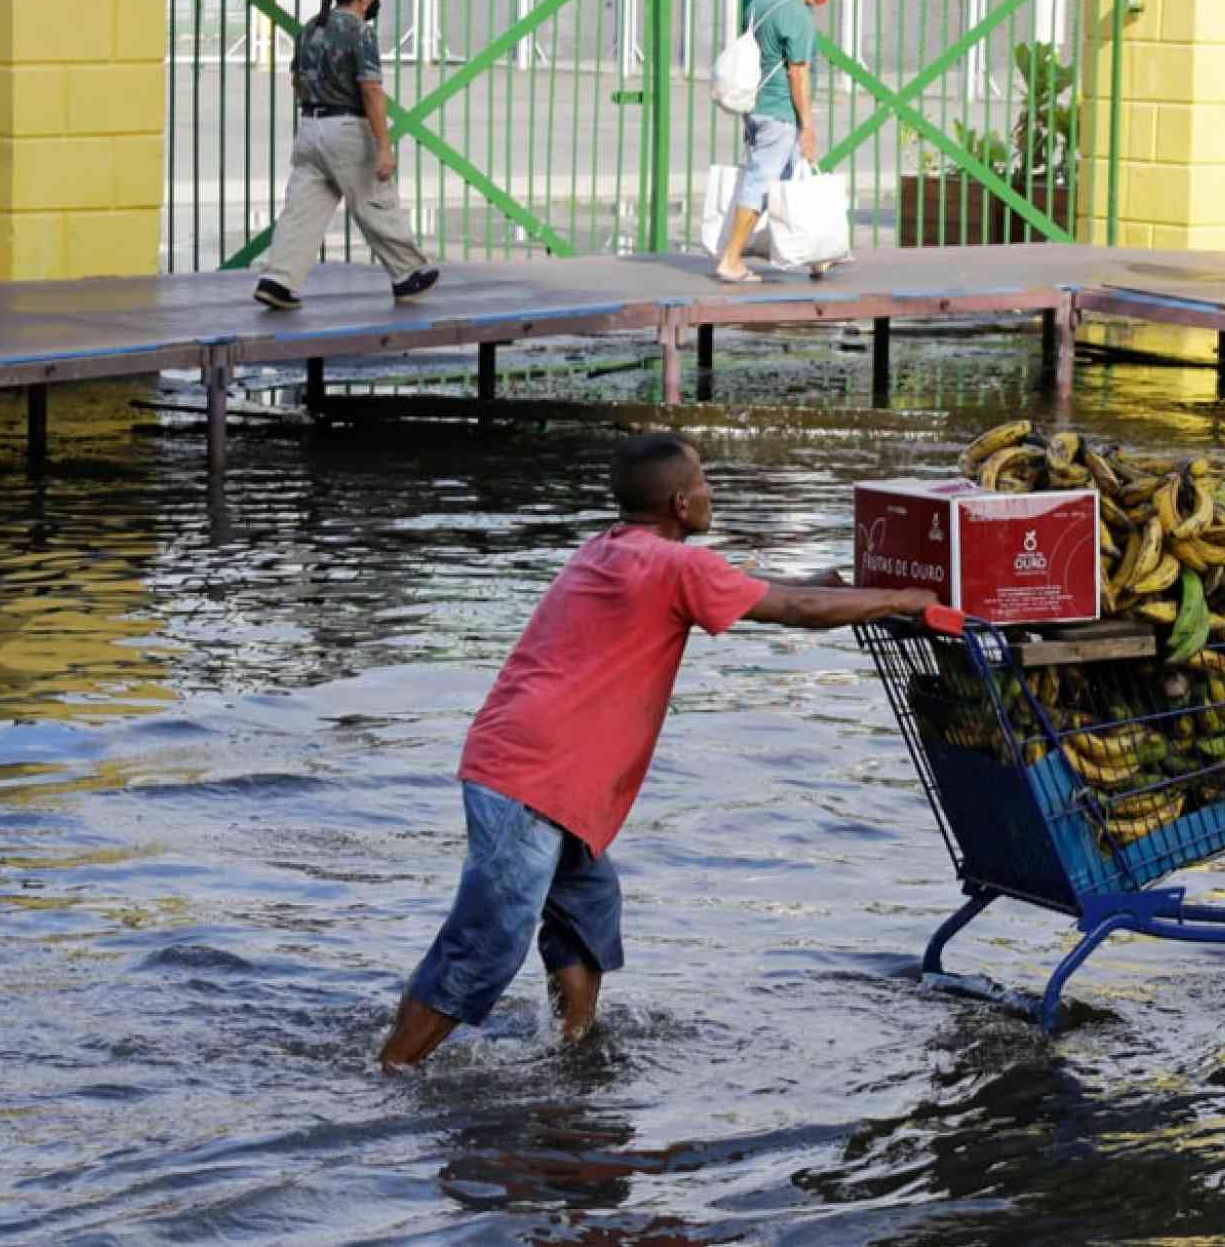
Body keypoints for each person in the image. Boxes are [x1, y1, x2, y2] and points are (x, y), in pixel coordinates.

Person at [376, 432, 939, 1071]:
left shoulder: (615, 550)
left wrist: (824, 585)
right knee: (488, 944)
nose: (710, 492)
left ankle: (569, 1053)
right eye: (703, 482)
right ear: (679, 502)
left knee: (589, 911)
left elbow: (758, 589)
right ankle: (392, 1073)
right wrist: (903, 600)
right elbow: (794, 610)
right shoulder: (677, 567)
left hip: (540, 773)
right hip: (533, 777)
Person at [252, 0, 438, 312]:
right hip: (346, 129)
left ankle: (278, 280)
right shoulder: (359, 32)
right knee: (374, 200)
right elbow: (371, 91)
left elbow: (296, 81)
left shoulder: (310, 28)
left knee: (302, 210)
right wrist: (384, 147)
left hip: (309, 128)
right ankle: (408, 273)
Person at [713, 0, 841, 285]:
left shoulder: (762, 1)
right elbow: (796, 72)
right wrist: (808, 126)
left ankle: (816, 255)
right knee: (762, 181)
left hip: (758, 108)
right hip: (780, 112)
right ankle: (731, 259)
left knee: (789, 179)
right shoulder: (796, 14)